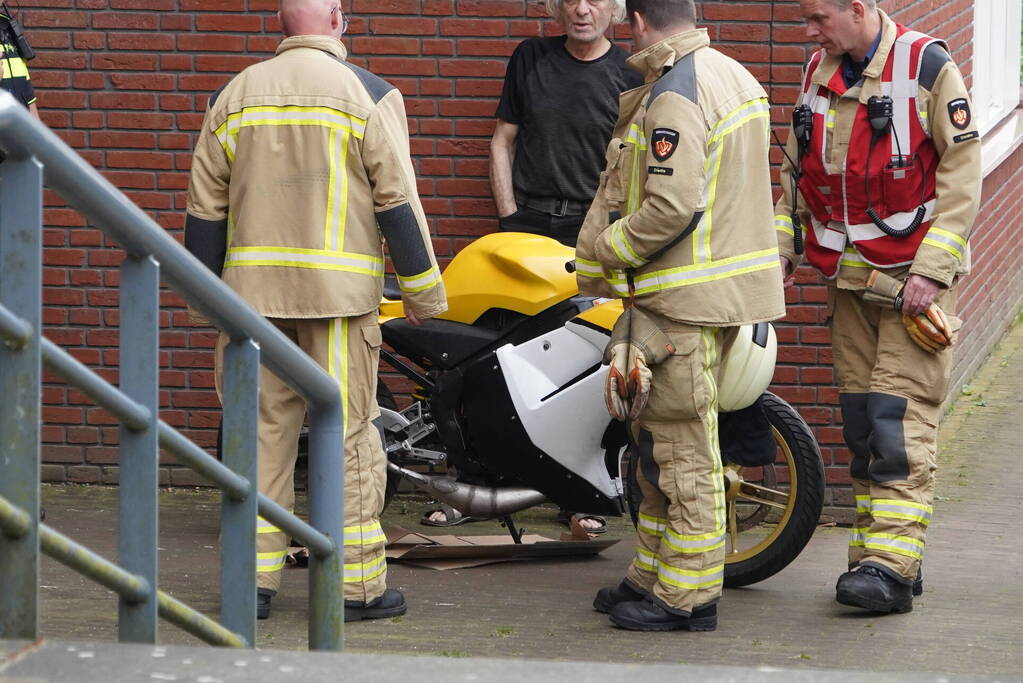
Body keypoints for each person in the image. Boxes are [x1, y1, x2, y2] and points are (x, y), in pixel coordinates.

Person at [184, 0, 447, 621]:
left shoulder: (234, 95)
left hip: (251, 306)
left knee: (258, 438)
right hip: (339, 304)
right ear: (335, 20)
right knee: (350, 437)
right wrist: (423, 295)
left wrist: (205, 304)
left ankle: (249, 586)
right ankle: (355, 588)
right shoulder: (370, 94)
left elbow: (204, 210)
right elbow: (398, 205)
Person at [578, 0, 785, 631]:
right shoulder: (734, 75)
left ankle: (686, 597)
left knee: (681, 450)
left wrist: (605, 250)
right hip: (713, 296)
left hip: (679, 304)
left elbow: (669, 206)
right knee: (660, 447)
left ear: (640, 21)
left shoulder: (675, 93)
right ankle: (654, 571)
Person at [775, 0, 981, 614]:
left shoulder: (926, 66)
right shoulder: (820, 69)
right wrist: (785, 247)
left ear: (858, 9)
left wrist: (933, 270)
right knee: (863, 424)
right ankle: (879, 555)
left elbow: (962, 176)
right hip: (848, 286)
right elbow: (793, 169)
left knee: (898, 422)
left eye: (817, 18)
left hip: (910, 285)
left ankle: (889, 566)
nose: (809, 33)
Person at [422, 0, 642, 533]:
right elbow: (503, 142)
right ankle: (470, 489)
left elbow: (635, 164)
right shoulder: (531, 57)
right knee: (491, 357)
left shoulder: (630, 75)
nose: (581, 10)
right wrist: (509, 219)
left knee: (587, 363)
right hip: (527, 227)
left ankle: (579, 499)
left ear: (615, 10)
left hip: (591, 239)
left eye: (594, 0)